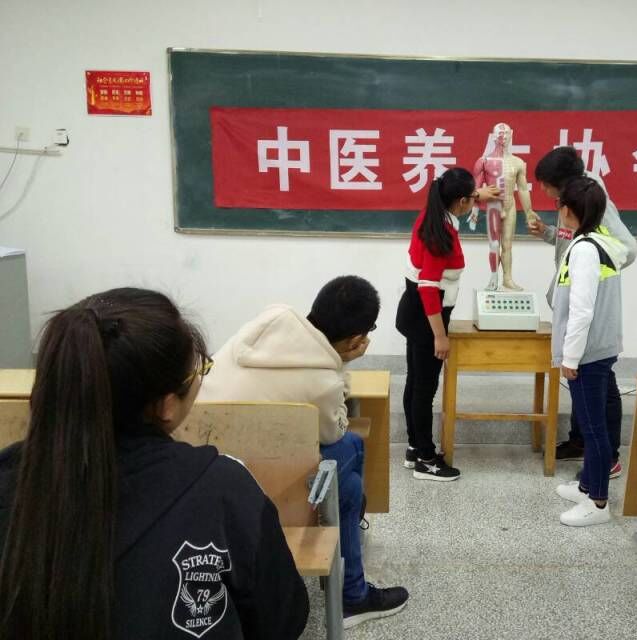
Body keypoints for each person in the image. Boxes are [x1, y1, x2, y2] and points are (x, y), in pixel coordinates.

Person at [0, 288, 309, 640]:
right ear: (166, 406)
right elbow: (282, 618)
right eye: (198, 371)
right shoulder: (224, 491)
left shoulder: (10, 481)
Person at [199, 276, 409, 629]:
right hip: (265, 493)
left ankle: (351, 566)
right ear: (356, 340)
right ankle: (352, 593)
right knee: (351, 454)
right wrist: (339, 364)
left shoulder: (274, 316)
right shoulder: (322, 382)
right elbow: (333, 430)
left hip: (203, 471)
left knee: (348, 478)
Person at [530, 146, 637, 478]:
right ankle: (581, 442)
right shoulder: (571, 204)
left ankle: (607, 459)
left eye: (546, 184)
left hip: (589, 316)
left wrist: (592, 271)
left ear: (563, 184)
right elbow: (570, 240)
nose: (543, 190)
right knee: (584, 387)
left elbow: (627, 248)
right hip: (576, 311)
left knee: (601, 384)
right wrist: (548, 233)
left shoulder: (593, 203)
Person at [396, 168, 496, 481]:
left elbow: (456, 194)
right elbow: (428, 287)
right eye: (471, 198)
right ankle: (426, 460)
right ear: (461, 201)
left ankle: (415, 447)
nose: (474, 201)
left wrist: (478, 194)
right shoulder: (442, 236)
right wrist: (440, 336)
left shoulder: (431, 213)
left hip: (415, 313)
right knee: (424, 389)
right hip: (428, 317)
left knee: (415, 382)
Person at [550, 177, 627, 527]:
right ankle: (586, 486)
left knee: (593, 430)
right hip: (600, 348)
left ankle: (597, 502)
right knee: (594, 424)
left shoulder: (583, 250)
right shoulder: (602, 242)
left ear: (567, 210)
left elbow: (581, 310)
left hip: (587, 354)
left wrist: (570, 357)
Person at [469, 122, 537, 291]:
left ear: (511, 134)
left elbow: (523, 189)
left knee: (507, 245)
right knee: (494, 245)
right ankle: (494, 278)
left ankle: (507, 279)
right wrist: (475, 210)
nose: (503, 137)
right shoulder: (484, 161)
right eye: (500, 133)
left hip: (510, 205)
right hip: (494, 206)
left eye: (506, 133)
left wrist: (529, 212)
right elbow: (476, 189)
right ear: (493, 136)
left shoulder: (518, 162)